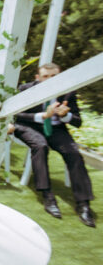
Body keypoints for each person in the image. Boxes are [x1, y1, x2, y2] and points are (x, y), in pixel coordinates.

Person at [14, 63, 95, 227]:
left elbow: (78, 121)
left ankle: (83, 204)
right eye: (45, 76)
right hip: (30, 126)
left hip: (57, 129)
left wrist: (65, 115)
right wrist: (43, 115)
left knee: (74, 153)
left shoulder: (68, 92)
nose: (50, 80)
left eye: (54, 76)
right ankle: (47, 196)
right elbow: (16, 115)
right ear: (38, 78)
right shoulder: (26, 89)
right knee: (40, 146)